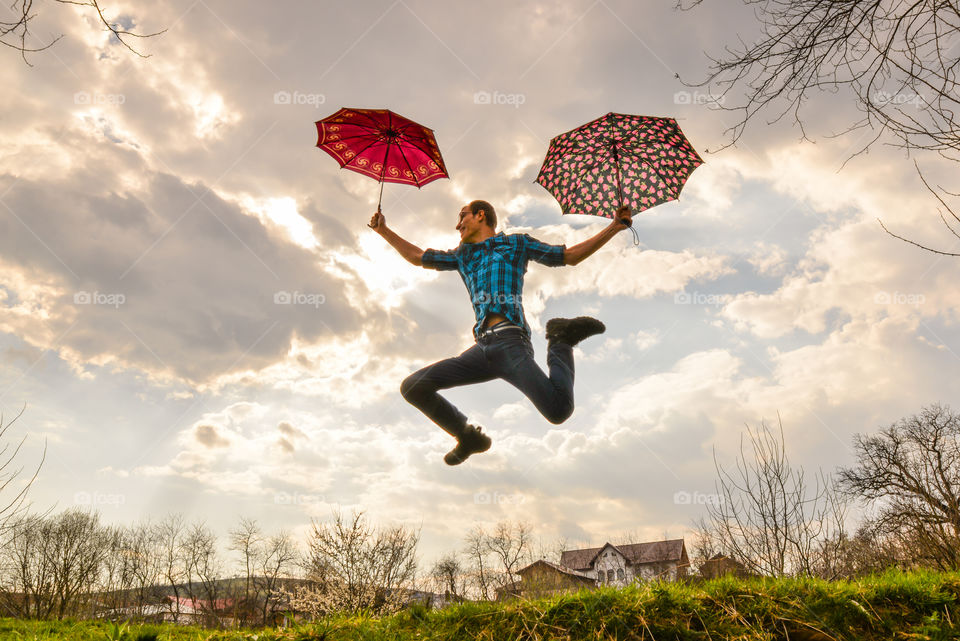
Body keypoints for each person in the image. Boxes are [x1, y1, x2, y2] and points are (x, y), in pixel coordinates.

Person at [369, 200, 633, 465]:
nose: (457, 224)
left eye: (462, 216)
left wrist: (614, 227)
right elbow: (418, 257)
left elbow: (569, 256)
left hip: (511, 344)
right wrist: (384, 231)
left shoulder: (517, 244)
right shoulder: (463, 255)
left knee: (559, 410)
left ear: (480, 215)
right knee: (413, 387)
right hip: (481, 349)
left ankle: (560, 339)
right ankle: (468, 437)